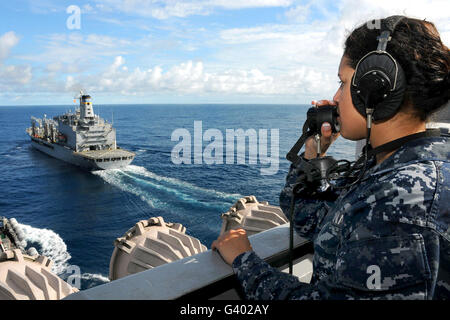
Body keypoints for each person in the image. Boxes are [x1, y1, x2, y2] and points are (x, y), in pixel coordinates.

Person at [211, 16, 450, 300]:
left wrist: (244, 260)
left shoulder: (407, 200)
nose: (335, 97)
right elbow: (309, 220)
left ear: (375, 88)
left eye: (343, 82)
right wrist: (315, 152)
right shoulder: (387, 165)